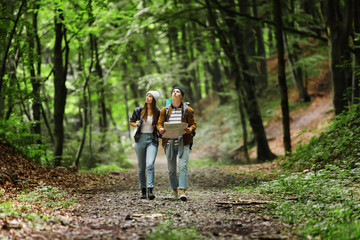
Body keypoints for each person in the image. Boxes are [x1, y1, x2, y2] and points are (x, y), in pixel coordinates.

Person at [157, 87, 196, 201]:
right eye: (173, 91)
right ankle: (174, 190)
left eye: (177, 91)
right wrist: (160, 129)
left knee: (183, 166)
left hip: (183, 141)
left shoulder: (188, 110)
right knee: (171, 169)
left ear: (181, 96)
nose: (175, 92)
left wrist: (190, 129)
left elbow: (193, 124)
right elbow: (159, 124)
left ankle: (182, 191)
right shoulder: (165, 110)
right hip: (169, 142)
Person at [129, 91, 160, 200]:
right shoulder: (139, 110)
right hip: (140, 139)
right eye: (147, 95)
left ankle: (150, 190)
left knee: (150, 164)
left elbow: (160, 125)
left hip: (152, 139)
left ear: (154, 99)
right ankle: (143, 190)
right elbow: (131, 121)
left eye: (150, 96)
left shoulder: (158, 112)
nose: (147, 98)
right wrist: (136, 124)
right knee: (141, 167)